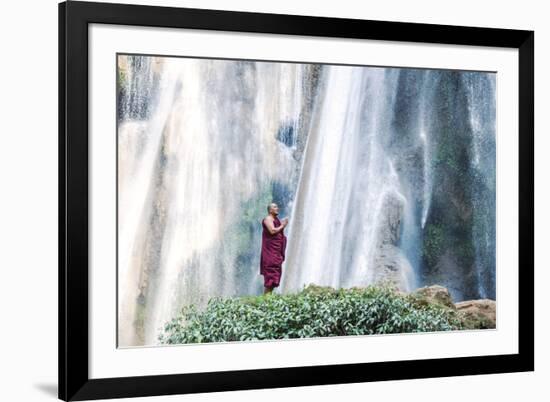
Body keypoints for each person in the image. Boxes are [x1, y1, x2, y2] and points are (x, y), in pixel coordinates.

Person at [260, 203, 288, 294]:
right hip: (270, 253)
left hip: (276, 254)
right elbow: (272, 231)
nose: (277, 208)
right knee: (270, 277)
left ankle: (268, 298)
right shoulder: (267, 219)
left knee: (274, 277)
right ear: (270, 210)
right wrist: (282, 226)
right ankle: (266, 299)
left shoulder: (276, 220)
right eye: (275, 207)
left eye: (277, 206)